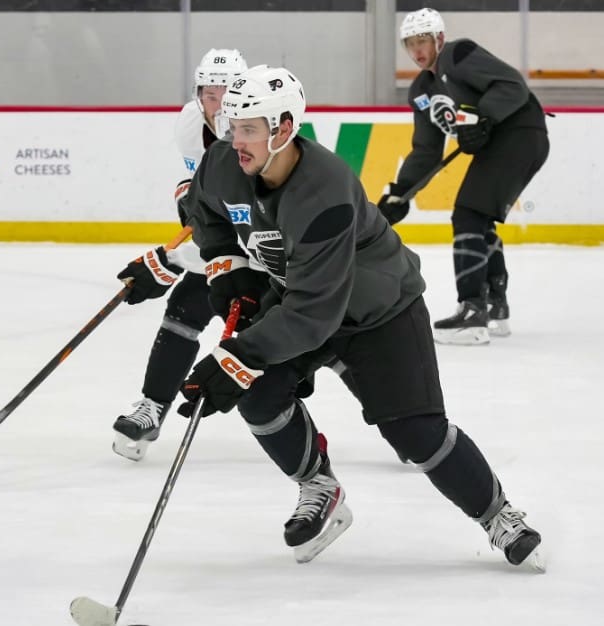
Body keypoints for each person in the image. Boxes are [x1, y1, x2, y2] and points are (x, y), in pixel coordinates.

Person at [170, 64, 543, 568]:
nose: (237, 141)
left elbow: (311, 316)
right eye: (233, 127)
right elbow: (203, 210)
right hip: (303, 299)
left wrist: (237, 355)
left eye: (250, 129)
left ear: (284, 128)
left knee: (415, 434)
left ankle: (498, 514)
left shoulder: (325, 190)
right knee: (257, 393)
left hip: (378, 311)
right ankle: (319, 487)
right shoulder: (224, 161)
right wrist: (227, 266)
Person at [111, 48, 266, 461]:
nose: (216, 104)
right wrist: (188, 202)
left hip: (269, 252)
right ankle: (152, 406)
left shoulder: (260, 125)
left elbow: (249, 212)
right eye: (208, 94)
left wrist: (172, 260)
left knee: (324, 341)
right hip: (222, 247)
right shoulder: (189, 123)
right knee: (183, 312)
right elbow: (202, 196)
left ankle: (402, 419)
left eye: (226, 93)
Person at [378, 8, 549, 345]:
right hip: (500, 146)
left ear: (438, 39)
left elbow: (512, 85)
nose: (416, 50)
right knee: (477, 216)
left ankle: (473, 310)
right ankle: (494, 305)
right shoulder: (421, 91)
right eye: (410, 44)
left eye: (422, 41)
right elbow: (426, 151)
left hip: (521, 133)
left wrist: (484, 117)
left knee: (468, 214)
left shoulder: (459, 54)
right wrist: (400, 192)